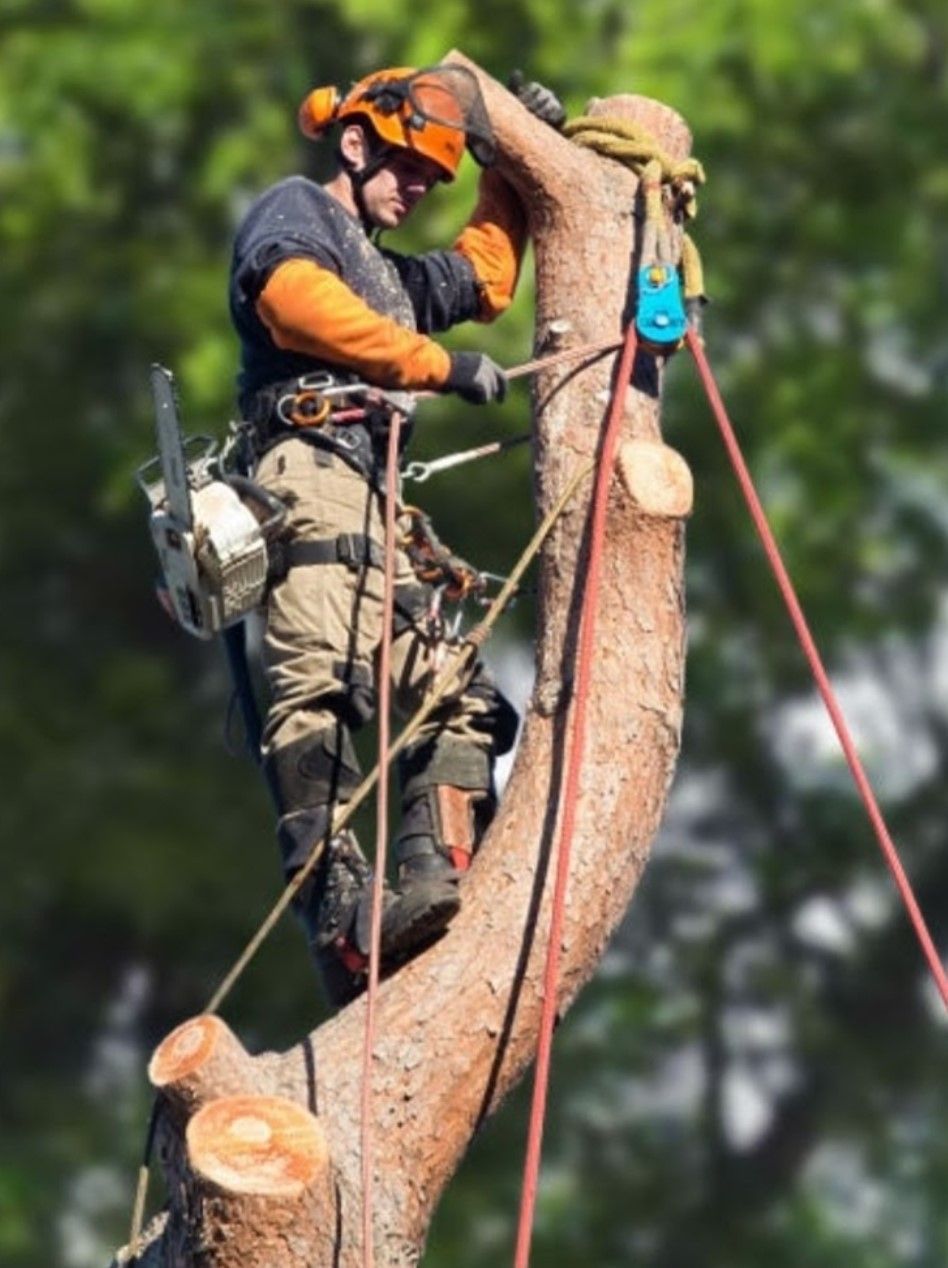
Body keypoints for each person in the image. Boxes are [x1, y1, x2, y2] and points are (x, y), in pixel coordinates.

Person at [228, 64, 564, 1006]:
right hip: (307, 478)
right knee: (321, 688)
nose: (415, 188)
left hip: (376, 505)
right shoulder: (299, 212)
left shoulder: (393, 275)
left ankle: (428, 883)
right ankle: (343, 921)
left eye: (432, 177)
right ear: (354, 142)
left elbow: (487, 279)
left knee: (461, 699)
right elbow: (292, 299)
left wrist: (512, 168)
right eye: (406, 165)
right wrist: (434, 365)